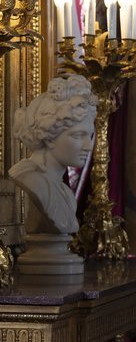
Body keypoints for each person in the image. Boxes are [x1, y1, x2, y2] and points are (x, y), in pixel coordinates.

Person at [9, 74, 96, 235]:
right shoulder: (31, 181)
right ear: (48, 137)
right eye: (77, 136)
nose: (89, 146)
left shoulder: (65, 192)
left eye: (89, 136)